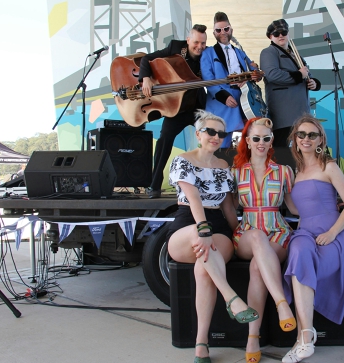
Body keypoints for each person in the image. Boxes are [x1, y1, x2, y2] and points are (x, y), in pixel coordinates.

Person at [166, 110, 259, 363]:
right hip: (188, 223)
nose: (216, 137)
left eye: (221, 133)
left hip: (218, 226)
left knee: (203, 269)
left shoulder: (224, 167)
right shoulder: (182, 160)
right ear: (198, 134)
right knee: (202, 243)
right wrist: (203, 230)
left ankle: (201, 344)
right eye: (210, 131)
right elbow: (193, 199)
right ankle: (232, 298)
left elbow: (228, 208)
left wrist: (238, 232)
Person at [281, 115, 344, 363]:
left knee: (303, 256)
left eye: (312, 135)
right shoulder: (296, 172)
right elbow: (297, 211)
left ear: (320, 140)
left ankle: (303, 338)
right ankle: (306, 335)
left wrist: (332, 233)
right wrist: (284, 190)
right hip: (305, 231)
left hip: (332, 234)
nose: (306, 139)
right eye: (301, 134)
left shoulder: (329, 166)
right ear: (295, 139)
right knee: (298, 251)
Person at [231, 117, 297, 363]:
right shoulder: (236, 173)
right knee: (257, 238)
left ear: (272, 142)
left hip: (277, 231)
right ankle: (282, 303)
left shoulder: (285, 172)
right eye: (256, 138)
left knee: (258, 266)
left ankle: (252, 337)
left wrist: (327, 205)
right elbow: (230, 209)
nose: (261, 142)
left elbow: (294, 208)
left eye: (266, 138)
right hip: (248, 232)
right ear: (247, 141)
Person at [138, 24, 208, 198]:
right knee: (164, 140)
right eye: (196, 43)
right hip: (175, 108)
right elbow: (147, 59)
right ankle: (154, 184)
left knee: (209, 136)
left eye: (203, 43)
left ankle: (208, 182)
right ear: (188, 40)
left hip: (196, 107)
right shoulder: (175, 48)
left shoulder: (208, 54)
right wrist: (145, 78)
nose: (200, 47)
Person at [200, 11, 261, 148]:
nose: (223, 32)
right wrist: (223, 96)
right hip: (221, 104)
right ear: (214, 33)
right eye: (218, 30)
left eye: (226, 29)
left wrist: (256, 73)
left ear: (231, 29)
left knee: (250, 142)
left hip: (244, 101)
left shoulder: (240, 52)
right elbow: (208, 80)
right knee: (219, 143)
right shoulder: (208, 53)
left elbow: (252, 71)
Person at [260, 19, 321, 148]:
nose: (280, 35)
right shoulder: (268, 52)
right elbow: (272, 74)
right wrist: (299, 75)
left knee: (301, 152)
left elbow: (306, 74)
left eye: (283, 32)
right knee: (283, 152)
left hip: (301, 113)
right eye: (276, 34)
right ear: (270, 37)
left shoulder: (295, 53)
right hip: (283, 114)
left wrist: (314, 83)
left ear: (288, 34)